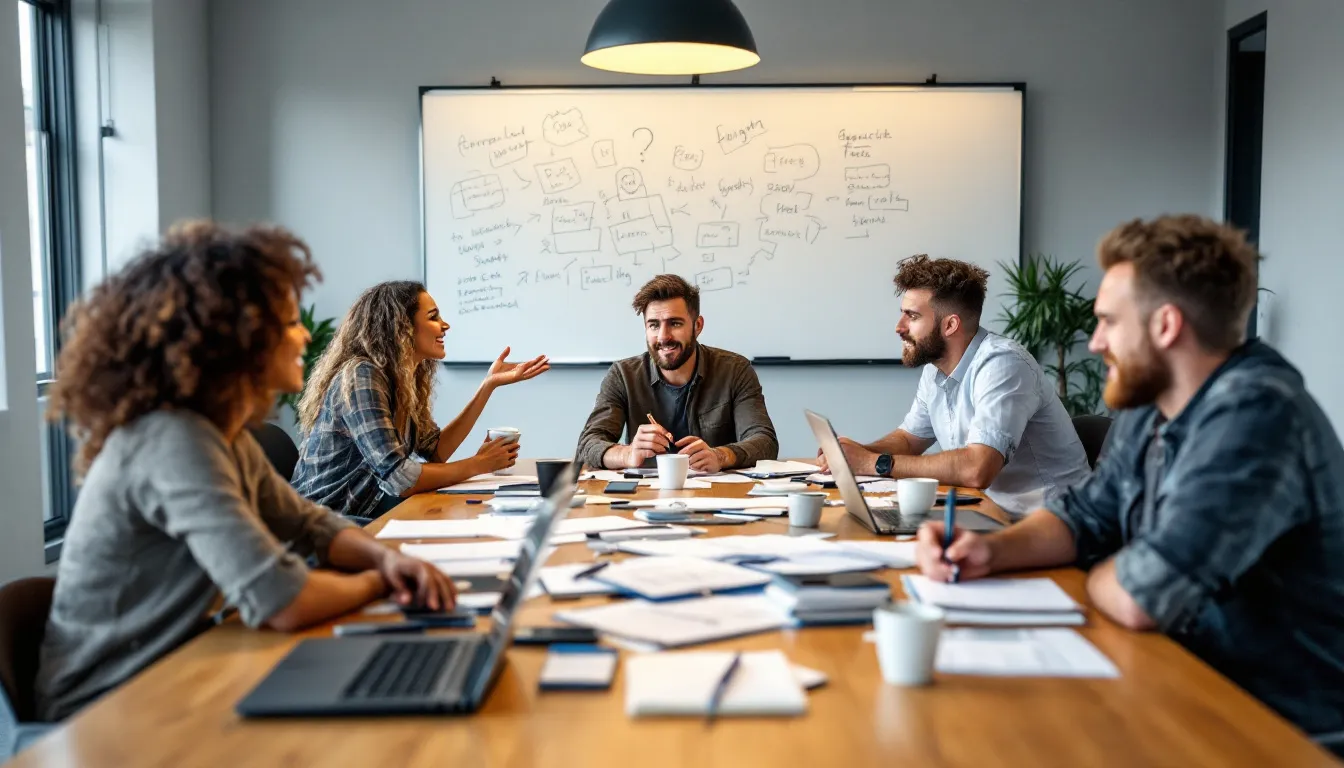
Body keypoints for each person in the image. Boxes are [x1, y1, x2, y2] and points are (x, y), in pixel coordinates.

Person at [914, 215, 1344, 750]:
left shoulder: (1257, 415)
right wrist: (987, 551)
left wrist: (1093, 570)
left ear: (1165, 326)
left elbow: (1144, 594)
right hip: (1178, 677)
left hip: (1272, 722)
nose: (1095, 343)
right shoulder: (1151, 402)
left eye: (1109, 322)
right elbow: (1086, 515)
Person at [37, 222, 456, 723]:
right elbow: (282, 600)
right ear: (233, 340)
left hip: (176, 671)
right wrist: (383, 581)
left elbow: (310, 524)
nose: (304, 333)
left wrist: (383, 558)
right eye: (285, 323)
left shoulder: (219, 434)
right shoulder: (174, 441)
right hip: (105, 712)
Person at [821, 255, 1090, 517]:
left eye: (912, 316)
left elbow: (977, 468)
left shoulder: (1003, 364)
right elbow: (908, 440)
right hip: (984, 512)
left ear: (950, 325)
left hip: (1049, 524)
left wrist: (871, 464)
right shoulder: (935, 370)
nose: (898, 327)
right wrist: (855, 453)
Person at [293, 280, 548, 519]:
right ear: (401, 327)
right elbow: (400, 478)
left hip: (367, 508)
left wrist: (487, 386)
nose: (445, 325)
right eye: (433, 317)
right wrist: (478, 464)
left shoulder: (402, 377)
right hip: (328, 520)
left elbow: (436, 451)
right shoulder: (361, 376)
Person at [577, 274, 778, 472]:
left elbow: (765, 442)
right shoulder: (623, 375)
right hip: (643, 496)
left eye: (675, 323)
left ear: (697, 326)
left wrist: (721, 455)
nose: (663, 337)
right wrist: (627, 454)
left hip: (717, 497)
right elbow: (587, 446)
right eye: (653, 325)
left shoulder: (735, 370)